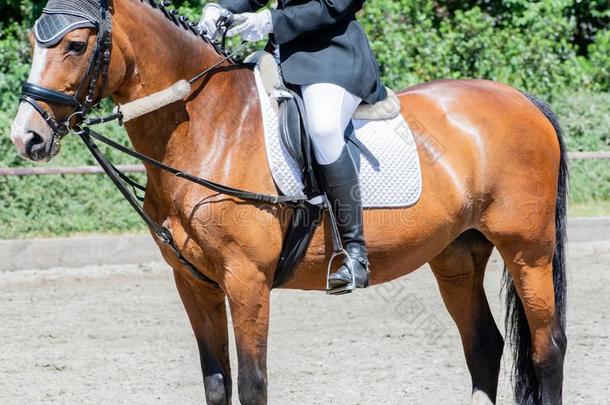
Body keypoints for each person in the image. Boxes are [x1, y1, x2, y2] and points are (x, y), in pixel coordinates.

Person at [199, 0, 387, 290]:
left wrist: (269, 21)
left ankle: (355, 252)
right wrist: (219, 7)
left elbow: (332, 7)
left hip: (331, 58)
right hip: (276, 60)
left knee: (323, 128)